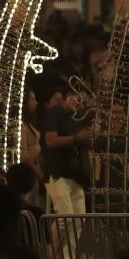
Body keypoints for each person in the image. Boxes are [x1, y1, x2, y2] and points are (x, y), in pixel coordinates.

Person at [38, 82, 92, 216]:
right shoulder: (54, 114)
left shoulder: (74, 119)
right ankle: (50, 238)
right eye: (79, 100)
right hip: (57, 173)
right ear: (68, 96)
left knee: (79, 220)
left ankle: (56, 238)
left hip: (74, 174)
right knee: (66, 218)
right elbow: (50, 140)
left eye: (84, 103)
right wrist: (77, 138)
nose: (80, 105)